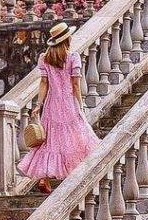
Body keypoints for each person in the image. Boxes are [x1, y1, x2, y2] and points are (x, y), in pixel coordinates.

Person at [18, 21, 100, 191]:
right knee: (76, 138)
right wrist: (80, 103)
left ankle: (44, 178)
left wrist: (39, 105)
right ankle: (73, 174)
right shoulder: (72, 57)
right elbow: (76, 84)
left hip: (51, 104)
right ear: (67, 39)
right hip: (68, 102)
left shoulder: (45, 58)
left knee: (49, 142)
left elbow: (43, 83)